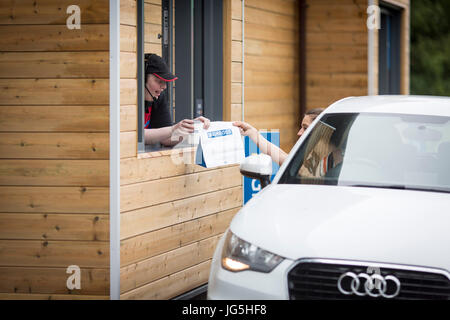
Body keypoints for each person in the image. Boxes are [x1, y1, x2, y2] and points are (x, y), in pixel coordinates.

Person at [144, 54, 210, 146]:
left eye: (165, 82)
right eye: (159, 81)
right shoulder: (127, 100)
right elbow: (135, 136)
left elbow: (166, 139)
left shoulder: (159, 97)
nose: (164, 87)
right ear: (142, 78)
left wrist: (191, 128)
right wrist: (172, 129)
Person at [233, 108, 325, 166]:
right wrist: (252, 132)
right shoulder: (314, 159)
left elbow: (285, 160)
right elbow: (283, 157)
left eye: (305, 128)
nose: (299, 133)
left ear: (321, 132)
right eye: (301, 127)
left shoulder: (327, 163)